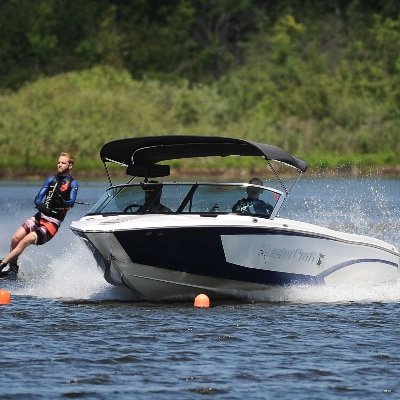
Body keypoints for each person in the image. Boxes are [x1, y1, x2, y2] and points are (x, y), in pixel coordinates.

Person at [0, 152, 79, 279]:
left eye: (63, 163)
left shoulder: (73, 183)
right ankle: (13, 269)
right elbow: (38, 198)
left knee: (25, 240)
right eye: (58, 162)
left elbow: (71, 202)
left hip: (52, 223)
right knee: (15, 238)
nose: (59, 165)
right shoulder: (51, 179)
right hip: (39, 216)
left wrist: (62, 202)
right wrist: (39, 204)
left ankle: (3, 263)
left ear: (70, 166)